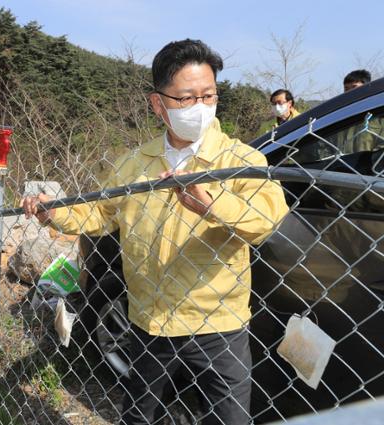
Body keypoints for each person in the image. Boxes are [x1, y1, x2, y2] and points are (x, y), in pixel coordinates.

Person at [23, 39, 289, 424]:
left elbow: (268, 217)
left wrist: (214, 205)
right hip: (149, 319)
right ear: (157, 103)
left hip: (218, 324)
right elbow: (101, 214)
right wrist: (56, 214)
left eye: (208, 95)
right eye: (186, 98)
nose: (199, 107)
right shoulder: (134, 163)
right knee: (140, 412)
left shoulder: (240, 160)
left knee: (229, 416)